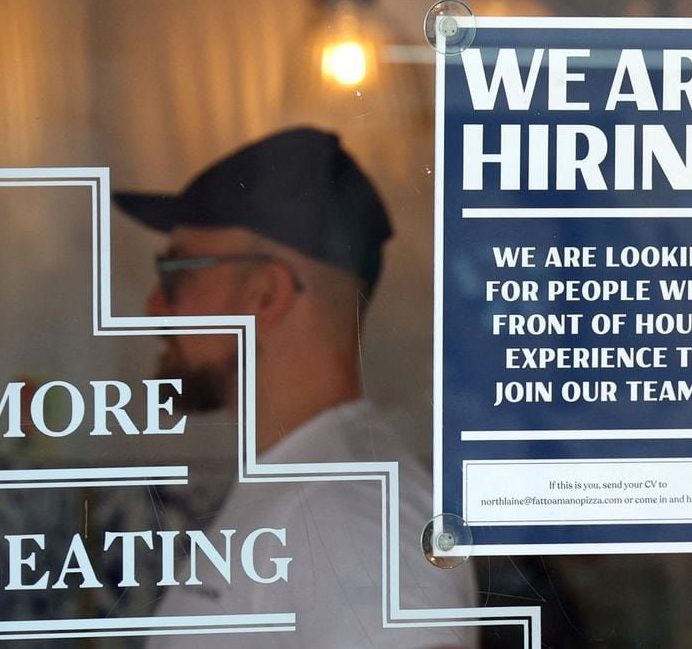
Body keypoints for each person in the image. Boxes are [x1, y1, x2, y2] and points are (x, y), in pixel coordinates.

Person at [114, 127, 477, 648]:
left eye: (176, 274)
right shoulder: (313, 483)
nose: (154, 306)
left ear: (266, 295)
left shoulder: (354, 510)